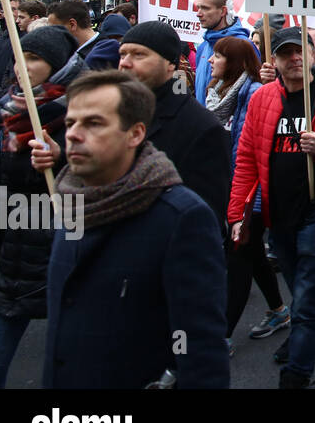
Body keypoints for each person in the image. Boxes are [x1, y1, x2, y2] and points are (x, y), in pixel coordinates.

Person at [41, 71, 228, 388]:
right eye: (71, 123)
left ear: (135, 133)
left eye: (94, 123)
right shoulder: (71, 202)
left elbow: (201, 350)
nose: (73, 134)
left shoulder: (181, 218)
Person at [228, 27, 315, 388]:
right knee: (311, 295)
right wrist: (236, 215)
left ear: (311, 53)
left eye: (299, 51)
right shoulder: (262, 100)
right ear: (273, 60)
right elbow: (245, 159)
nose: (293, 59)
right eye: (284, 53)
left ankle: (295, 378)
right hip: (279, 215)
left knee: (305, 303)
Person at [0, 26, 82, 387]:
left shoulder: (84, 110)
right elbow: (1, 191)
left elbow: (112, 174)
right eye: (21, 56)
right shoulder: (13, 111)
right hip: (16, 257)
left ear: (56, 66)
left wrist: (63, 158)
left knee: (70, 366)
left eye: (35, 59)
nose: (23, 65)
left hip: (66, 253)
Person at [205, 36, 289, 344]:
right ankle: (279, 310)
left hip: (250, 191)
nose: (210, 60)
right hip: (233, 187)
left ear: (237, 62)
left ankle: (220, 336)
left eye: (218, 56)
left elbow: (251, 150)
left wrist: (245, 199)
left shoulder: (253, 92)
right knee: (252, 255)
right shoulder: (222, 93)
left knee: (238, 257)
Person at [117, 22, 231, 225]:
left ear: (171, 64)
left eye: (139, 55)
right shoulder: (113, 114)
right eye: (122, 54)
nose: (125, 63)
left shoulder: (201, 128)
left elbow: (205, 217)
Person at [192, 0, 251, 101]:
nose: (198, 14)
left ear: (223, 11)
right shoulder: (203, 46)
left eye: (205, 8)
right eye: (198, 8)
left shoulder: (243, 45)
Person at [46, 0, 108, 67]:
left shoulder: (102, 57)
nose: (51, 34)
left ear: (72, 24)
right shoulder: (102, 49)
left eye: (54, 29)